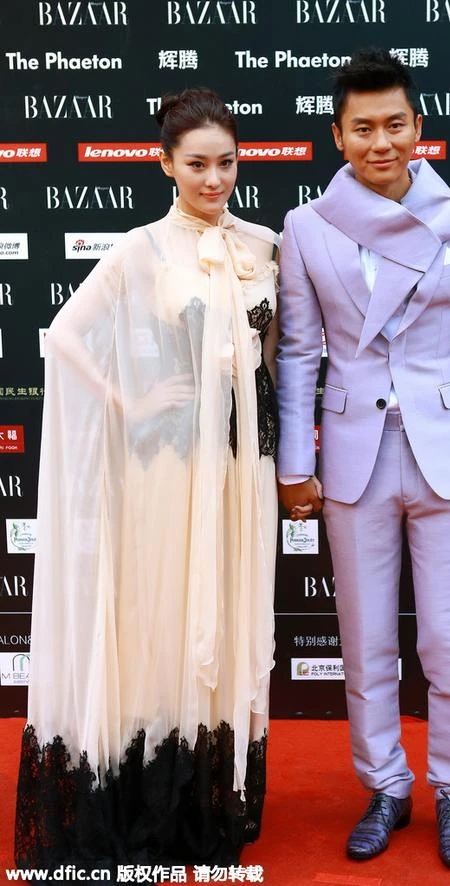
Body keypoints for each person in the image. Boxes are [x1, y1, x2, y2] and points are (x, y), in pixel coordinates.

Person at [15, 88, 279, 872]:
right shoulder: (141, 249)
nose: (214, 179)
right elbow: (65, 335)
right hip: (168, 471)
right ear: (166, 164)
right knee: (166, 624)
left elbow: (272, 361)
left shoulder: (264, 245)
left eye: (226, 162)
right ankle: (153, 800)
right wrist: (129, 399)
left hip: (243, 471)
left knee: (230, 618)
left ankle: (207, 804)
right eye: (196, 164)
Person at [277, 48, 450, 869]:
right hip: (354, 458)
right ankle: (385, 785)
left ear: (419, 126)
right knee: (366, 638)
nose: (380, 142)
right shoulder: (307, 228)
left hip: (446, 454)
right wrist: (294, 465)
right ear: (337, 135)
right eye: (362, 128)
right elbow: (298, 356)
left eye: (394, 125)